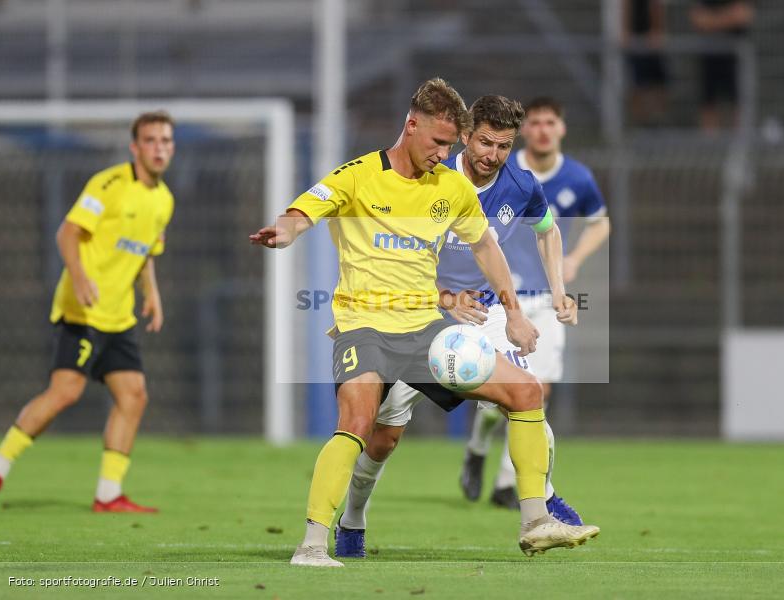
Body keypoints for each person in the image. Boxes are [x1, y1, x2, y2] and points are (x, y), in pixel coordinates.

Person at [250, 79, 600, 567]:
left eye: (450, 145)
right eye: (438, 142)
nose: (443, 154)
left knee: (526, 392)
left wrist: (515, 313)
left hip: (428, 330)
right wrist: (284, 232)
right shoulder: (358, 175)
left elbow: (486, 246)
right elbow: (304, 210)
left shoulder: (452, 187)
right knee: (366, 428)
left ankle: (536, 520)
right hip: (365, 326)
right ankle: (314, 544)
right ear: (411, 125)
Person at [0, 112, 176, 513]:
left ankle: (108, 494)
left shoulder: (164, 200)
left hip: (119, 316)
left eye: (165, 140)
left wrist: (152, 293)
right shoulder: (108, 184)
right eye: (150, 140)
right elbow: (68, 232)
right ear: (135, 147)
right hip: (83, 309)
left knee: (133, 395)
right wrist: (77, 277)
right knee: (65, 392)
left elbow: (146, 252)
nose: (159, 148)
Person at [460, 97, 610, 507]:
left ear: (561, 128)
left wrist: (572, 263)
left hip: (542, 299)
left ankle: (508, 484)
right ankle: (477, 447)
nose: (543, 130)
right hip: (492, 299)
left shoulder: (576, 178)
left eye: (551, 122)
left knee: (535, 391)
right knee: (495, 398)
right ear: (526, 130)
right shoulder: (494, 169)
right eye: (537, 122)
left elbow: (599, 224)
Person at [690, 0, 754, 131]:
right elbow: (698, 19)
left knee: (738, 101)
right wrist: (727, 18)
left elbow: (743, 15)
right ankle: (711, 141)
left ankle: (739, 140)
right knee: (708, 101)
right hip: (709, 59)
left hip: (735, 60)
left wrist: (712, 21)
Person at [623, 0, 669, 127]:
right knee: (637, 84)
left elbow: (657, 7)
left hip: (652, 43)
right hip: (636, 42)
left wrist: (657, 31)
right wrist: (626, 32)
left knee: (658, 84)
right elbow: (626, 7)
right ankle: (639, 123)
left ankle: (657, 121)